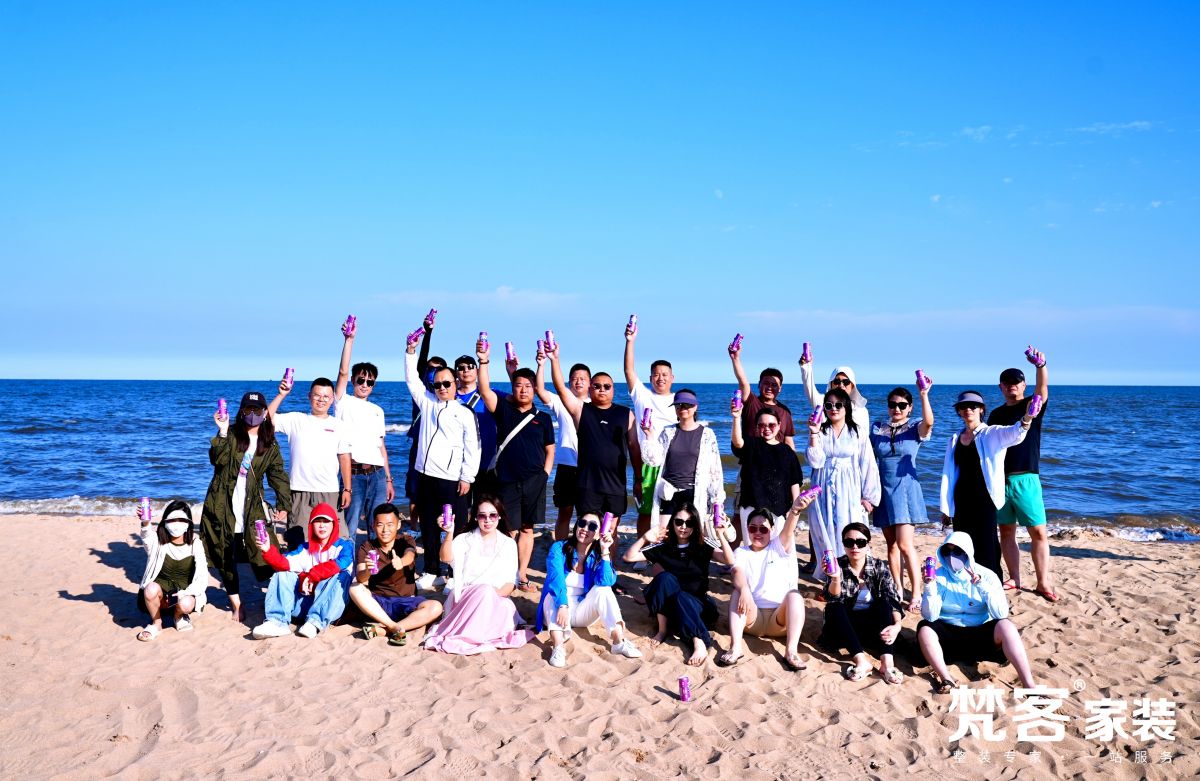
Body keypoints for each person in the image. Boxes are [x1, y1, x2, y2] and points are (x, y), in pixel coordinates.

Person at [200, 391, 291, 624]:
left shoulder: (269, 443)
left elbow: (277, 474)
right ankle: (237, 604)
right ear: (241, 412)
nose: (252, 414)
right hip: (221, 504)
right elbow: (217, 460)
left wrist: (284, 503)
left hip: (252, 506)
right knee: (225, 555)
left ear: (264, 412)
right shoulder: (230, 434)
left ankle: (276, 596)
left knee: (264, 550)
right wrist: (222, 430)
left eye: (257, 410)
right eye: (248, 409)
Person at [476, 341, 555, 591]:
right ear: (513, 388)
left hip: (535, 481)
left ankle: (521, 574)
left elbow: (550, 449)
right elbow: (484, 390)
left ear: (535, 389)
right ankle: (504, 573)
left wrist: (545, 474)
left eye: (528, 386)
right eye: (519, 385)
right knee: (507, 529)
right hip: (507, 480)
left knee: (528, 529)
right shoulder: (504, 410)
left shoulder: (543, 418)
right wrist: (483, 361)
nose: (523, 390)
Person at [405, 334, 480, 590]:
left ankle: (454, 573)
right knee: (428, 525)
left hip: (452, 481)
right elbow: (412, 380)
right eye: (437, 384)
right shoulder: (427, 402)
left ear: (455, 384)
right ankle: (432, 570)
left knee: (454, 527)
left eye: (447, 383)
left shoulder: (464, 412)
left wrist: (467, 477)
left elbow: (473, 447)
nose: (442, 388)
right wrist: (410, 351)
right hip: (425, 476)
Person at [917, 531, 1036, 693]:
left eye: (957, 551)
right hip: (949, 639)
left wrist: (981, 586)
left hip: (979, 636)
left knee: (1006, 626)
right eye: (947, 551)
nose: (951, 556)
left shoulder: (987, 575)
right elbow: (931, 616)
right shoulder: (938, 576)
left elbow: (1001, 614)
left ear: (967, 552)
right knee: (924, 628)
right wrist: (929, 586)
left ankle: (1029, 684)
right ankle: (946, 678)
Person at [622, 503, 735, 666]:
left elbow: (729, 560)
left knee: (682, 597)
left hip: (699, 607)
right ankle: (663, 630)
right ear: (672, 523)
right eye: (679, 522)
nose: (683, 527)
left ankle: (699, 642)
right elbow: (628, 557)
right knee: (664, 578)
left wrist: (720, 534)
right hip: (671, 609)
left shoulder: (703, 544)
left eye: (689, 523)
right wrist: (645, 537)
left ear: (695, 525)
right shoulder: (663, 545)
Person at [423, 496, 535, 654]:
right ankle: (471, 636)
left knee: (499, 602)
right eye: (482, 516)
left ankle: (474, 634)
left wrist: (490, 595)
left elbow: (511, 583)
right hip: (465, 596)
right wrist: (449, 533)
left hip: (497, 597)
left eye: (492, 515)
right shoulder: (465, 539)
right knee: (484, 591)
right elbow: (446, 558)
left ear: (499, 516)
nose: (488, 520)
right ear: (476, 517)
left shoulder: (508, 543)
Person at [939, 390, 1032, 579]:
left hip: (984, 499)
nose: (968, 409)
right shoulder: (955, 439)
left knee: (986, 544)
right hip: (961, 498)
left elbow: (1016, 433)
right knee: (962, 543)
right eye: (963, 406)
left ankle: (993, 582)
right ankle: (967, 581)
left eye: (973, 406)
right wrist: (946, 507)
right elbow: (948, 474)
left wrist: (1027, 418)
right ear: (959, 411)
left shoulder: (991, 433)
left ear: (981, 409)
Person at [717, 493, 815, 671]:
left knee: (795, 595)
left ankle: (791, 651)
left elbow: (789, 528)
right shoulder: (742, 552)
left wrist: (795, 509)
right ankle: (735, 648)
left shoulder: (778, 546)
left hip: (779, 620)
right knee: (737, 592)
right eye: (753, 528)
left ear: (772, 530)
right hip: (752, 618)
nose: (758, 533)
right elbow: (737, 572)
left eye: (763, 529)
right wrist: (744, 590)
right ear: (747, 530)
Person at [988, 348, 1056, 601]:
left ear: (1024, 385)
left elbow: (1042, 390)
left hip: (1026, 478)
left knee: (1038, 532)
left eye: (1016, 382)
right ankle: (1014, 577)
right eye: (1007, 383)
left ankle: (1043, 582)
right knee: (1006, 531)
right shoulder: (995, 414)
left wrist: (1041, 366)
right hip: (1000, 479)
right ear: (1001, 387)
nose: (1011, 386)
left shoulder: (1031, 406)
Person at [547, 342, 642, 520]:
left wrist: (638, 478)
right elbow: (560, 388)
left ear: (613, 389)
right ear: (590, 388)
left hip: (615, 485)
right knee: (588, 526)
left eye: (607, 386)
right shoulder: (581, 410)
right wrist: (554, 360)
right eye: (597, 386)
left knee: (610, 529)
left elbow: (634, 448)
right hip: (588, 485)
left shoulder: (626, 414)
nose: (602, 389)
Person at [537, 512, 644, 667]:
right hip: (558, 611)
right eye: (582, 523)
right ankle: (558, 647)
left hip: (582, 612)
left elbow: (607, 581)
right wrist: (563, 605)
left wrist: (605, 551)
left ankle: (618, 642)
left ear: (599, 533)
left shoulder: (598, 554)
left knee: (604, 590)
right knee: (550, 595)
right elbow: (556, 579)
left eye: (592, 526)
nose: (585, 528)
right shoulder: (559, 548)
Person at [869, 383, 935, 611]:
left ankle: (915, 593)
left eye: (902, 405)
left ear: (909, 407)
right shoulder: (877, 427)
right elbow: (866, 457)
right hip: (882, 489)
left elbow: (929, 423)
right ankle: (897, 587)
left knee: (905, 544)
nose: (896, 408)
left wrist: (924, 394)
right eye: (892, 404)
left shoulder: (914, 427)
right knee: (891, 545)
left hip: (905, 489)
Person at [805, 388, 881, 578]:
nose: (834, 408)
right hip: (823, 485)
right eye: (829, 405)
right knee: (824, 530)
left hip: (849, 488)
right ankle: (831, 577)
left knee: (849, 528)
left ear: (846, 407)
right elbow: (815, 462)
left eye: (838, 405)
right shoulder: (821, 431)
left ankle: (852, 574)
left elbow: (868, 464)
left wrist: (869, 497)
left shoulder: (857, 432)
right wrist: (813, 433)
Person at [267, 376, 352, 544]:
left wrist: (347, 489)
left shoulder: (339, 425)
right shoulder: (296, 420)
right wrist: (281, 395)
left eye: (326, 396)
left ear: (332, 399)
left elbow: (344, 457)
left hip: (329, 491)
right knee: (299, 541)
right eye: (317, 395)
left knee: (336, 541)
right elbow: (265, 420)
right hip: (299, 491)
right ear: (309, 396)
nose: (321, 400)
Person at [817, 522, 905, 684]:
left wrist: (898, 625)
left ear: (868, 544)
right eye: (849, 542)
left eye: (860, 542)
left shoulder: (878, 566)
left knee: (883, 603)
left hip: (871, 629)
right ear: (843, 544)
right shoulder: (837, 565)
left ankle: (887, 663)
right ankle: (861, 661)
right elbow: (833, 598)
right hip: (843, 628)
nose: (855, 547)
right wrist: (835, 578)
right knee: (835, 606)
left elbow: (892, 599)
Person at [345, 503, 443, 646]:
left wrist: (401, 562)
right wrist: (368, 571)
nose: (385, 530)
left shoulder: (405, 540)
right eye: (380, 525)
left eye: (390, 524)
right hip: (378, 603)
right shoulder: (367, 546)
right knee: (355, 587)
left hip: (406, 601)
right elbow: (360, 577)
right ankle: (394, 627)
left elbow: (410, 555)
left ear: (398, 525)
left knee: (436, 607)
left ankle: (385, 630)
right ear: (373, 526)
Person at [252, 503, 354, 639]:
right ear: (311, 525)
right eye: (317, 521)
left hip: (329, 607)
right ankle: (277, 622)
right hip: (302, 606)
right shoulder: (304, 548)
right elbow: (284, 563)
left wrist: (312, 575)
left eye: (326, 521)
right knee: (283, 573)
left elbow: (340, 564)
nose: (322, 525)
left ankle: (315, 623)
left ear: (334, 524)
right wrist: (268, 550)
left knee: (342, 576)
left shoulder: (344, 547)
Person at [333, 319, 394, 541]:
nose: (365, 385)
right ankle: (346, 562)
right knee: (349, 527)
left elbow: (381, 446)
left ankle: (374, 562)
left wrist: (388, 479)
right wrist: (349, 340)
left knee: (378, 526)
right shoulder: (342, 401)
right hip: (353, 475)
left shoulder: (378, 410)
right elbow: (342, 371)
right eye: (361, 380)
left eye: (370, 382)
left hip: (377, 475)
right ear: (353, 380)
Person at [639, 389, 726, 530]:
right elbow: (653, 461)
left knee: (691, 534)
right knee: (662, 534)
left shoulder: (707, 434)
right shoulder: (668, 432)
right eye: (678, 405)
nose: (682, 408)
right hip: (668, 492)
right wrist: (649, 435)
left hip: (694, 492)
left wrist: (717, 500)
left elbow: (715, 470)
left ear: (695, 407)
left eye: (687, 404)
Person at [624, 320, 676, 538]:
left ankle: (668, 547)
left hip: (673, 462)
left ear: (672, 378)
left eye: (664, 374)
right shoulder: (643, 396)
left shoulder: (679, 400)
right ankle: (643, 549)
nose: (660, 378)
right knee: (645, 510)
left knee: (672, 510)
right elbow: (628, 370)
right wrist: (630, 341)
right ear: (650, 378)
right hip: (647, 461)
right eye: (656, 374)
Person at [534, 349, 590, 540]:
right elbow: (540, 390)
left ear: (590, 382)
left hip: (589, 468)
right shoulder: (561, 402)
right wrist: (542, 364)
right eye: (574, 378)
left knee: (587, 514)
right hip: (566, 466)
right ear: (568, 382)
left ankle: (583, 549)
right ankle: (560, 548)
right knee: (564, 512)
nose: (578, 382)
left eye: (583, 378)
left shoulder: (595, 405)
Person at [135, 499, 208, 641]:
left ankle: (178, 616)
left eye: (181, 520)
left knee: (186, 603)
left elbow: (202, 578)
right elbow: (146, 537)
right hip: (159, 598)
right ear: (165, 521)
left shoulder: (195, 544)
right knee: (150, 589)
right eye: (172, 520)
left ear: (188, 522)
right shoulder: (157, 541)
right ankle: (156, 623)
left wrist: (183, 594)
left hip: (182, 596)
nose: (176, 524)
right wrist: (145, 523)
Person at [731, 403, 803, 545]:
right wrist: (736, 417)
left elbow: (794, 481)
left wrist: (795, 508)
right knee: (753, 547)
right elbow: (737, 442)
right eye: (762, 425)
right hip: (751, 506)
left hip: (779, 508)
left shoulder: (787, 452)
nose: (767, 429)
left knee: (778, 548)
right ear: (757, 427)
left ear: (779, 425)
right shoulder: (751, 445)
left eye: (771, 425)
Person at [404, 312, 442, 532]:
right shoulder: (420, 392)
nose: (432, 373)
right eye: (430, 369)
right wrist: (428, 333)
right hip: (419, 443)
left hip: (440, 445)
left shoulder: (445, 395)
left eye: (437, 370)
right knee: (414, 488)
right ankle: (414, 527)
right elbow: (421, 359)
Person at [729, 341, 796, 449]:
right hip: (752, 456)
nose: (770, 387)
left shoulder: (785, 411)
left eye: (774, 385)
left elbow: (788, 441)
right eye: (766, 383)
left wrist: (792, 458)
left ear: (780, 388)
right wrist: (735, 358)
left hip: (776, 457)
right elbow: (743, 382)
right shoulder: (751, 402)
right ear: (759, 385)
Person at [454, 352, 499, 497]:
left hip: (487, 463)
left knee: (485, 506)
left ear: (477, 370)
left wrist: (512, 372)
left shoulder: (490, 395)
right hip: (458, 466)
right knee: (459, 508)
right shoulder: (450, 397)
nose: (466, 370)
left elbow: (517, 401)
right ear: (456, 373)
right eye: (461, 368)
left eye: (470, 367)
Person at [799, 347, 870, 429]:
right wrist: (806, 366)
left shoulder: (861, 411)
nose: (841, 385)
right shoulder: (823, 403)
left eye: (846, 382)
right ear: (831, 384)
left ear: (852, 385)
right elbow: (810, 389)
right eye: (837, 381)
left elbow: (864, 436)